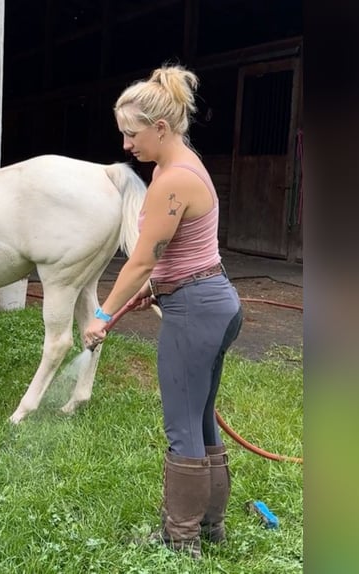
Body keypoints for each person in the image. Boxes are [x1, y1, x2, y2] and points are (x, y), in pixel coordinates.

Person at [85, 64, 243, 559]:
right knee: (200, 421)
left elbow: (141, 260)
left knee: (182, 425)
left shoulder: (170, 181)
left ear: (160, 128)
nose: (127, 144)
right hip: (211, 301)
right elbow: (176, 254)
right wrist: (164, 287)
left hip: (196, 312)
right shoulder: (184, 164)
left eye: (132, 135)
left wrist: (102, 315)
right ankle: (211, 528)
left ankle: (182, 541)